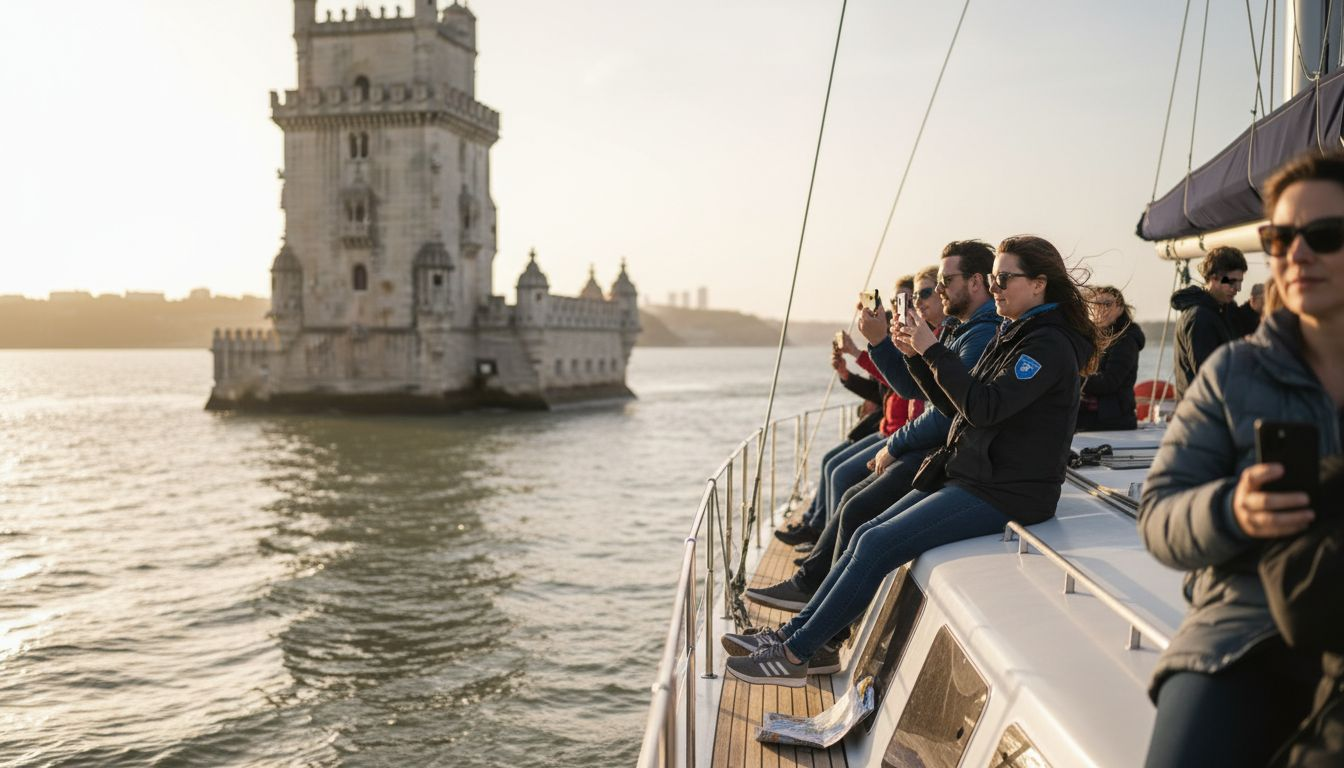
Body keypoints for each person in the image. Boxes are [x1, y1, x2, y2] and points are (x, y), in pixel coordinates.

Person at [723, 235, 1097, 686]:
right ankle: (797, 639)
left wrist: (932, 350)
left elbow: (985, 407)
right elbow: (955, 401)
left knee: (879, 544)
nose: (995, 287)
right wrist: (918, 356)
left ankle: (795, 655)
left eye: (1003, 278)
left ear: (1038, 285)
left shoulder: (1046, 346)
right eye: (993, 279)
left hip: (1007, 490)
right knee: (865, 531)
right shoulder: (1017, 333)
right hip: (975, 475)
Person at [1139, 151, 1344, 767]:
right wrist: (1234, 510)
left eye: (1325, 236)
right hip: (1247, 621)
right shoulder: (1234, 371)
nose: (1297, 255)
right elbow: (1159, 516)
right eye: (1280, 239)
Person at [776, 276, 918, 545]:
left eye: (908, 300)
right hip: (886, 427)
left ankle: (822, 540)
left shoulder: (913, 341)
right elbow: (881, 389)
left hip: (898, 433)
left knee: (840, 473)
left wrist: (858, 352)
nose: (900, 308)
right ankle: (815, 525)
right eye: (895, 302)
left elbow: (901, 385)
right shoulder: (899, 341)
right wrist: (846, 375)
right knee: (830, 461)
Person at [1170, 246, 1249, 398]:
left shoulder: (1222, 311)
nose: (1237, 288)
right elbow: (1208, 376)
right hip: (1201, 414)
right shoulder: (1200, 318)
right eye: (1231, 282)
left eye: (1240, 282)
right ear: (1213, 278)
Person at [1076, 285, 1144, 431]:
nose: (1101, 309)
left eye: (1107, 304)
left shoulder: (1126, 341)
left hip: (1113, 419)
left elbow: (1110, 381)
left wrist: (1072, 379)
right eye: (1095, 305)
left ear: (1120, 309)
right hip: (1090, 415)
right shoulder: (1091, 339)